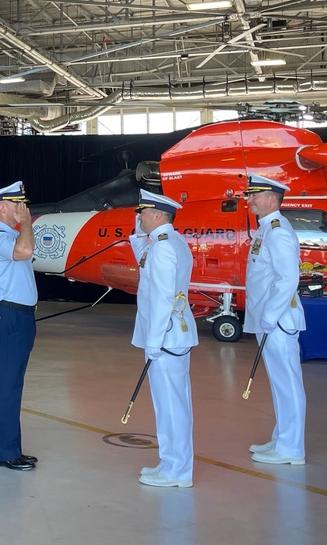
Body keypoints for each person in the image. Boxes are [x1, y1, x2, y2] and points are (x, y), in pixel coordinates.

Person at [129, 189, 197, 488]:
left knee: (172, 404)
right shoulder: (169, 242)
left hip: (166, 337)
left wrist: (153, 341)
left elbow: (161, 297)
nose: (138, 216)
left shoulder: (163, 248)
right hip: (171, 335)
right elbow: (142, 259)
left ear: (157, 215)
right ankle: (170, 463)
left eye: (142, 212)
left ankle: (179, 470)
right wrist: (138, 231)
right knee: (168, 404)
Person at [244, 173, 307, 465]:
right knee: (279, 383)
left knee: (288, 383)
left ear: (272, 198)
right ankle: (282, 438)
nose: (249, 199)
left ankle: (292, 449)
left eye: (255, 194)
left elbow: (288, 279)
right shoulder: (265, 229)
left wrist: (269, 316)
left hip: (278, 321)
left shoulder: (278, 231)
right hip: (269, 320)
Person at [0, 181, 38, 471]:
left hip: (20, 317)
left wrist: (24, 223)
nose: (23, 208)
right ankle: (3, 452)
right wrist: (27, 222)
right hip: (9, 317)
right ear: (2, 207)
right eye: (18, 204)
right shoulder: (0, 236)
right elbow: (25, 250)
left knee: (12, 385)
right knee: (6, 386)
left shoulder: (10, 234)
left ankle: (11, 448)